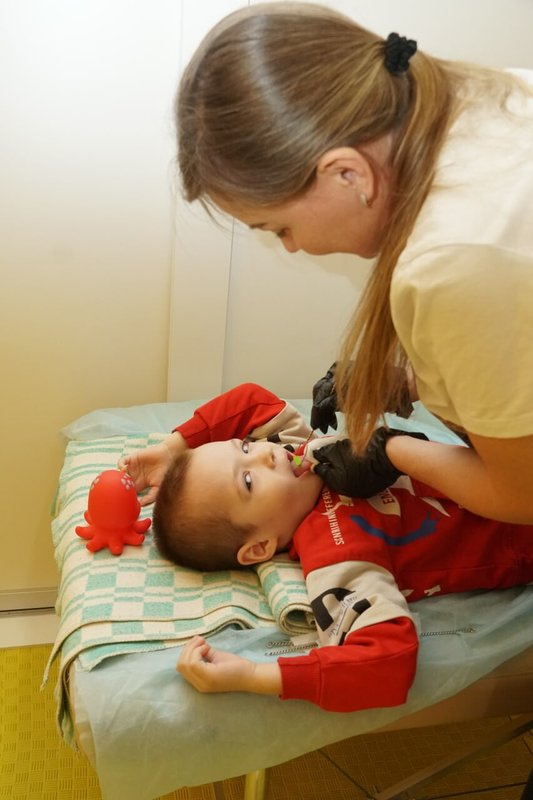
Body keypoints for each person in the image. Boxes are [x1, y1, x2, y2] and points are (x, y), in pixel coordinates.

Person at [176, 2, 533, 524]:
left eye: (280, 229)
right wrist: (411, 383)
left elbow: (523, 493)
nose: (292, 248)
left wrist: (392, 450)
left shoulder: (449, 264)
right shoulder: (498, 94)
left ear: (348, 174)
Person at [120, 383, 533, 713]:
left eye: (245, 446)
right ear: (260, 547)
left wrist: (172, 449)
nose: (265, 455)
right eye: (247, 481)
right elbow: (386, 665)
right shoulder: (335, 551)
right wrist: (254, 675)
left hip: (506, 465)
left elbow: (250, 400)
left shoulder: (301, 455)